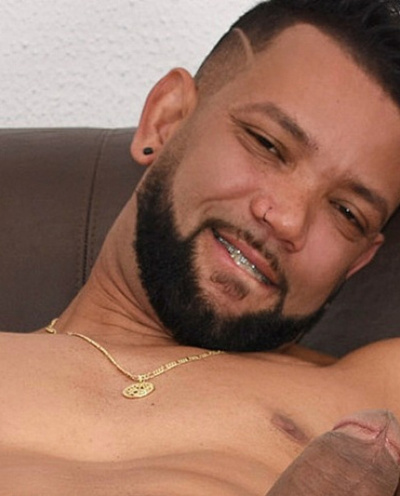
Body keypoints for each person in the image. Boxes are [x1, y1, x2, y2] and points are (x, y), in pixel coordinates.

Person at [3, 0, 400, 494]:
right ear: (167, 120)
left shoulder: (375, 395)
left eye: (346, 212)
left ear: (359, 259)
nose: (288, 220)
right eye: (268, 144)